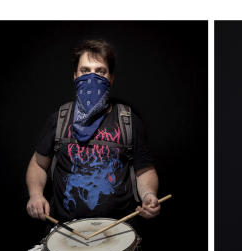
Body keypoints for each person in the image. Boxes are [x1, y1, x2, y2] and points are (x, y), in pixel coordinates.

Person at [25, 39, 161, 223]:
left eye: (100, 71)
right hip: (66, 230)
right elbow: (39, 164)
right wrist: (35, 195)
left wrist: (148, 196)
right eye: (85, 71)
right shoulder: (60, 119)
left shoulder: (128, 121)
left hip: (118, 230)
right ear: (74, 76)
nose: (92, 77)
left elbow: (144, 171)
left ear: (111, 78)